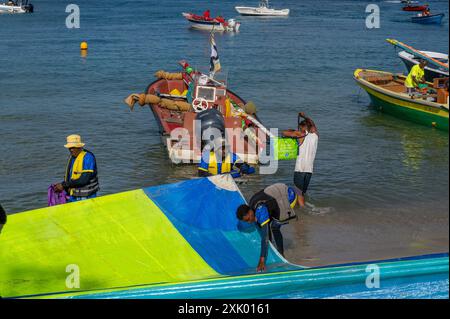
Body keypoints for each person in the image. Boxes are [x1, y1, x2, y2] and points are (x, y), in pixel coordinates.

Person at [236, 183, 301, 272]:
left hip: (288, 196)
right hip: (277, 192)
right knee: (267, 225)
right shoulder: (251, 206)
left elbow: (265, 237)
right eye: (246, 221)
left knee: (275, 227)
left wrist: (262, 259)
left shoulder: (260, 210)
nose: (249, 222)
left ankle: (281, 254)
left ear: (250, 212)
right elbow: (265, 232)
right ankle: (275, 251)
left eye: (248, 219)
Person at [282, 112, 319, 207]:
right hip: (309, 171)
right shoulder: (315, 136)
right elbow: (313, 125)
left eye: (300, 127)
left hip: (300, 169)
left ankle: (303, 214)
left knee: (298, 193)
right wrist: (305, 116)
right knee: (302, 193)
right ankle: (302, 208)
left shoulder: (300, 134)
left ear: (303, 127)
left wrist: (294, 131)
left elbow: (284, 133)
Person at [53, 135, 99, 202]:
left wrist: (63, 185)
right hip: (73, 196)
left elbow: (84, 179)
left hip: (86, 197)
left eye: (73, 147)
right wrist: (64, 187)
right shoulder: (72, 157)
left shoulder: (88, 157)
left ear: (79, 146)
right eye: (70, 147)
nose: (71, 149)